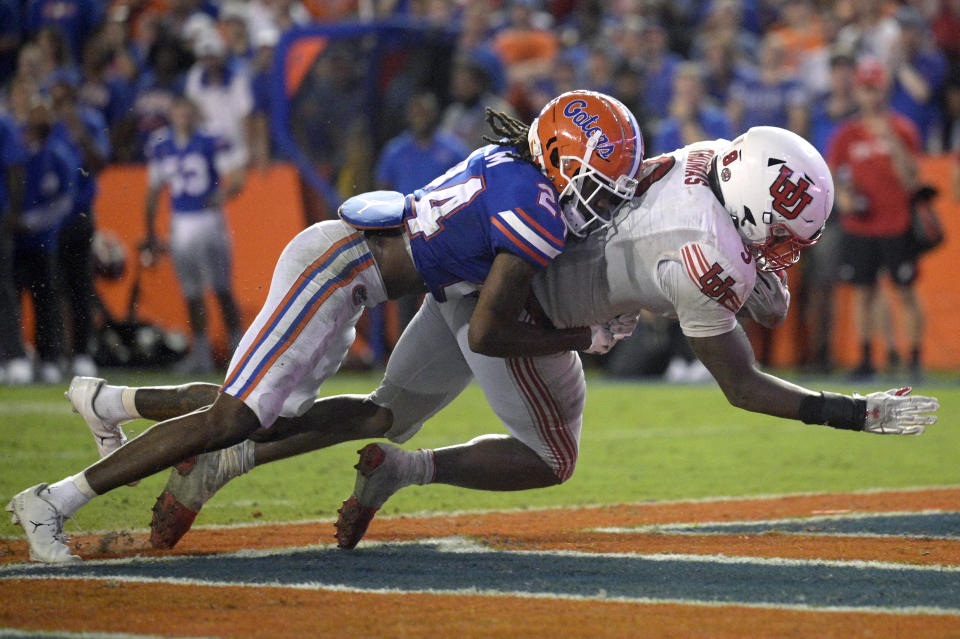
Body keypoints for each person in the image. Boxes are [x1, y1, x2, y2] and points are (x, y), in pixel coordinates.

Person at [59, 127, 937, 557]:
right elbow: (743, 384)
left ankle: (219, 459)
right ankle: (402, 472)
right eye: (779, 236)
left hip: (471, 269)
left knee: (378, 409)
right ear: (745, 208)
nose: (785, 253)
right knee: (553, 456)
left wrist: (762, 267)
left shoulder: (712, 158)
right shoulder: (702, 260)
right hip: (523, 308)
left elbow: (758, 276)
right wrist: (848, 413)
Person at [8, 90, 645, 562]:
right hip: (337, 270)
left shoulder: (509, 160)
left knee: (345, 417)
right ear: (561, 157)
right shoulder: (535, 210)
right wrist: (583, 337)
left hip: (352, 277)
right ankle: (54, 499)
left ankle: (110, 401)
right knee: (236, 418)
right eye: (602, 184)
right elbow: (486, 334)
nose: (605, 200)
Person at [826, 57, 925, 378]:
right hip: (861, 224)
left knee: (905, 290)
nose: (871, 96)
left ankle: (913, 359)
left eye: (876, 89)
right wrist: (844, 198)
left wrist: (890, 139)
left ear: (885, 91)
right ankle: (866, 356)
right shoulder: (847, 134)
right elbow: (832, 178)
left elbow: (911, 179)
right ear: (858, 91)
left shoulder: (902, 129)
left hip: (896, 222)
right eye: (866, 89)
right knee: (863, 292)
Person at [143, 94, 245, 374]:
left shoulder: (211, 139)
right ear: (172, 112)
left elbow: (236, 178)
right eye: (178, 109)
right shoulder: (160, 144)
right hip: (180, 221)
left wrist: (222, 194)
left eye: (187, 109)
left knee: (222, 288)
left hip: (209, 219)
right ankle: (201, 354)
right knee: (191, 293)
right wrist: (150, 231)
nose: (183, 115)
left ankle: (239, 351)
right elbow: (153, 190)